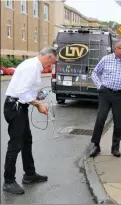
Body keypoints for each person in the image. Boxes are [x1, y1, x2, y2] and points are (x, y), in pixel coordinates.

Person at [3, 47, 55, 194]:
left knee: (26, 141)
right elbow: (21, 92)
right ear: (49, 57)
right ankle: (8, 181)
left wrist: (37, 98)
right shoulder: (32, 67)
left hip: (20, 106)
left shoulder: (32, 65)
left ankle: (29, 174)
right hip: (15, 107)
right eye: (52, 62)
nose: (51, 66)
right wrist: (38, 104)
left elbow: (26, 90)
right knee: (15, 144)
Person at [89, 40, 121, 158]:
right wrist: (100, 86)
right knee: (100, 118)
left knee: (119, 122)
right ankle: (96, 145)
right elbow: (94, 73)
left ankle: (115, 147)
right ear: (116, 49)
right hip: (106, 93)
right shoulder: (106, 59)